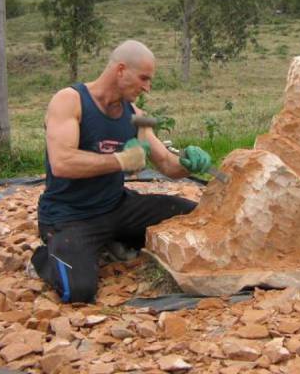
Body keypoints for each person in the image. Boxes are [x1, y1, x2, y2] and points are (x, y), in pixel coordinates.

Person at [30, 39, 212, 303]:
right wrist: (121, 160)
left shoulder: (137, 114)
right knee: (77, 291)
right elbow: (62, 163)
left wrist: (189, 163)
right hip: (70, 216)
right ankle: (46, 256)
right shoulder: (70, 100)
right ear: (121, 70)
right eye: (144, 78)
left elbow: (166, 164)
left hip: (116, 206)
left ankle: (113, 240)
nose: (147, 88)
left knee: (194, 216)